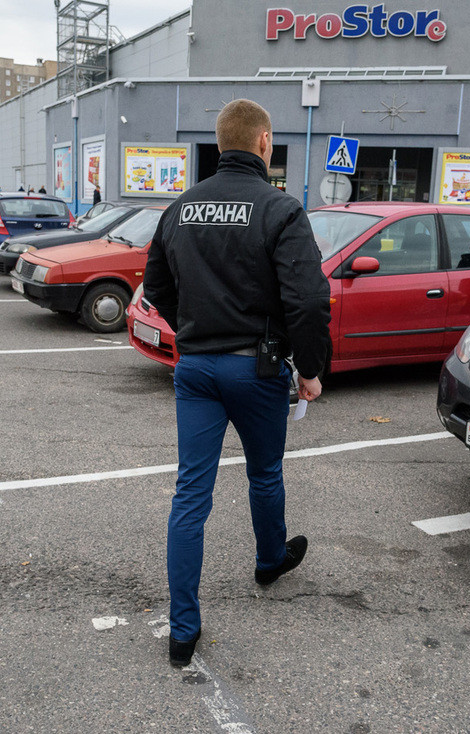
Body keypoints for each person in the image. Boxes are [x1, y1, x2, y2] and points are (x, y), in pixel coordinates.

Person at [143, 99, 331, 668]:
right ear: (265, 143)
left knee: (190, 495)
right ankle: (269, 559)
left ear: (221, 143)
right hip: (258, 368)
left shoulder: (181, 209)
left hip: (196, 370)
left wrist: (196, 332)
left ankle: (182, 631)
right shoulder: (280, 209)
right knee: (265, 472)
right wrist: (311, 369)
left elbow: (156, 287)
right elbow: (309, 299)